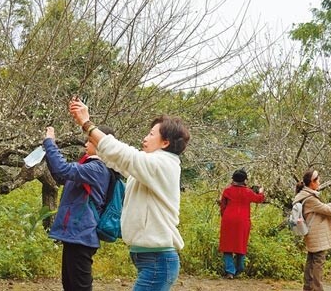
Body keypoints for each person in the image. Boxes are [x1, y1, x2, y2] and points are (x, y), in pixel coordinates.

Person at [69, 98, 190, 291]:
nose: (145, 138)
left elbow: (126, 155)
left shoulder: (163, 164)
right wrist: (90, 133)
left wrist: (88, 124)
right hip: (152, 259)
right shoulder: (150, 168)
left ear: (165, 142)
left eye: (151, 134)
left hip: (158, 261)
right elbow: (117, 161)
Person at [43, 125, 115, 291]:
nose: (86, 144)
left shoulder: (97, 169)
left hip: (82, 235)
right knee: (70, 285)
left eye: (90, 141)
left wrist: (50, 143)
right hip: (75, 235)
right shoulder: (88, 167)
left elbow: (63, 168)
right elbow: (61, 174)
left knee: (79, 287)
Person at [294, 169, 331, 291]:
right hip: (316, 234)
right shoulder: (310, 198)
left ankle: (308, 287)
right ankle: (317, 288)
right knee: (318, 262)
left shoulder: (305, 195)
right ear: (312, 182)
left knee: (311, 260)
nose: (319, 182)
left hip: (311, 233)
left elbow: (323, 207)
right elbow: (329, 210)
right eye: (317, 180)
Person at [219, 168, 265, 279]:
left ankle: (230, 271)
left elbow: (222, 206)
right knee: (241, 244)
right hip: (243, 221)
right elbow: (259, 199)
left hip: (228, 219)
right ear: (245, 180)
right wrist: (261, 192)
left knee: (227, 245)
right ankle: (239, 269)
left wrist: (224, 216)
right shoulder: (248, 192)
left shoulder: (227, 191)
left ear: (233, 179)